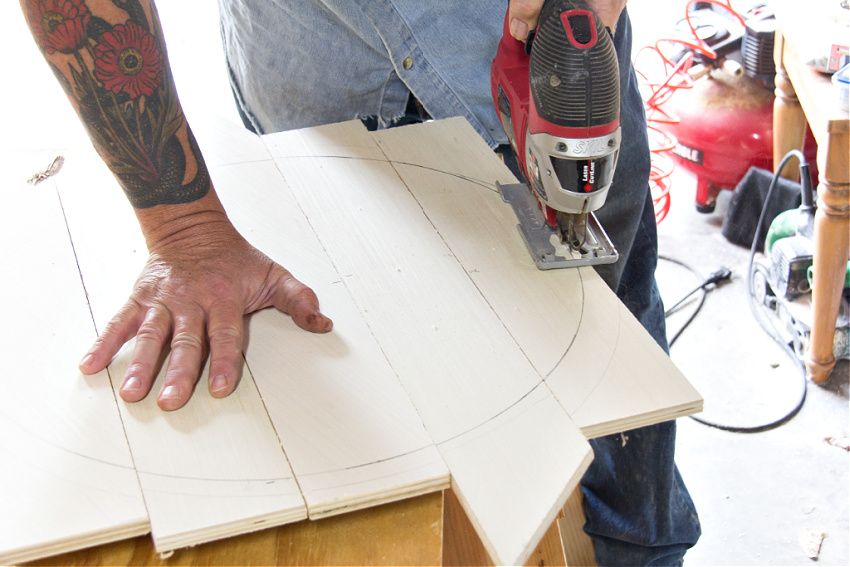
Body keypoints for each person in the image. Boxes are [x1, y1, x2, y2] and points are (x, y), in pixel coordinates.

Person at [21, 0, 700, 563]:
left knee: (610, 351)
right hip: (312, 77)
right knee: (362, 379)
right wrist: (184, 226)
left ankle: (639, 550)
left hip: (546, 44)